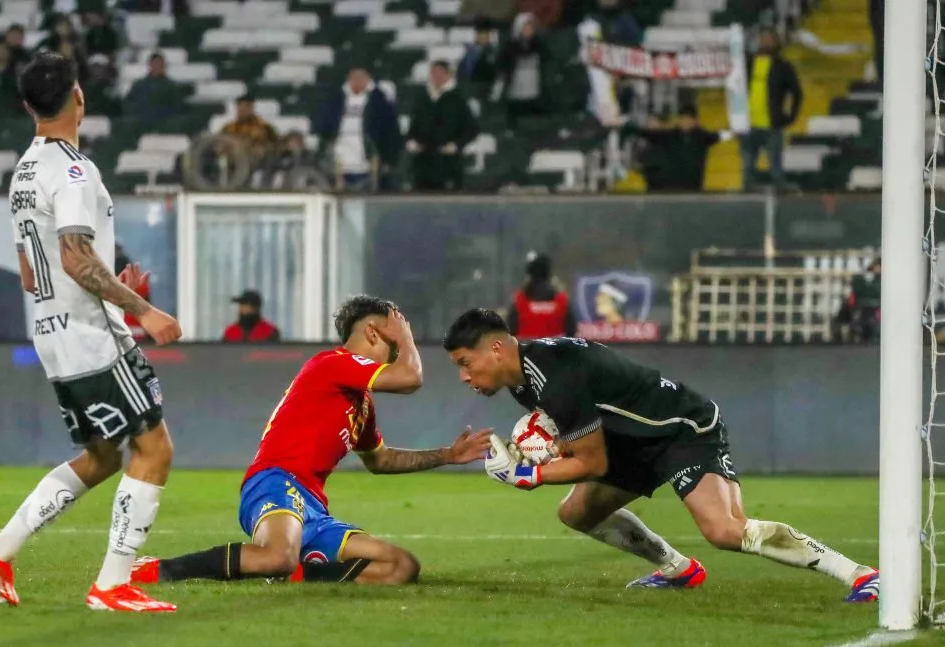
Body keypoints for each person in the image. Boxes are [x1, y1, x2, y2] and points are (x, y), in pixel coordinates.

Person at [442, 309, 880, 602]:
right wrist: (546, 449)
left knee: (725, 530)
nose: (463, 376)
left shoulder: (553, 376)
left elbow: (591, 462)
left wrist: (529, 475)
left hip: (682, 428)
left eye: (466, 362)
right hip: (630, 440)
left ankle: (859, 574)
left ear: (496, 349)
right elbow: (578, 438)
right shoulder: (525, 379)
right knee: (576, 511)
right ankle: (677, 569)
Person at [0, 51, 183, 613]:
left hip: (51, 332)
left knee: (103, 455)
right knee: (155, 448)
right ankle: (112, 585)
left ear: (26, 106)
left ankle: (1, 549)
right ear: (79, 97)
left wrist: (109, 280)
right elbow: (75, 260)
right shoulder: (72, 169)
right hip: (92, 331)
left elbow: (29, 268)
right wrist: (143, 309)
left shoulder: (24, 171)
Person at [130, 296, 492, 586]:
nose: (397, 346)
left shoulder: (360, 402)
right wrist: (407, 336)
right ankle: (157, 570)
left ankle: (296, 574)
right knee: (276, 555)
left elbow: (380, 461)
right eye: (392, 335)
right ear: (373, 332)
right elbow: (410, 377)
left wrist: (447, 454)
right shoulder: (332, 363)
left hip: (313, 507)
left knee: (399, 566)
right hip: (275, 481)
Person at [741, 28, 802, 191]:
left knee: (776, 170)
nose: (766, 42)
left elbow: (797, 92)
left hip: (772, 125)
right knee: (747, 171)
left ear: (776, 42)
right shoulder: (748, 63)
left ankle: (780, 204)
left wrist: (791, 116)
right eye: (763, 38)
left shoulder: (783, 66)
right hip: (748, 125)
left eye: (770, 39)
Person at [405, 61, 479, 191]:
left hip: (448, 163)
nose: (436, 77)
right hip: (423, 163)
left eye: (440, 73)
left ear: (448, 75)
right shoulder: (423, 99)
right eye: (433, 73)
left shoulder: (458, 99)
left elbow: (472, 129)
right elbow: (414, 126)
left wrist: (456, 145)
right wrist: (412, 141)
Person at [624, 105, 732, 191]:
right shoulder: (670, 135)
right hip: (672, 187)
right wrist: (629, 127)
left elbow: (720, 135)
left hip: (694, 186)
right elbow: (648, 133)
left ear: (695, 121)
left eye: (688, 119)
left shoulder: (702, 136)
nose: (685, 122)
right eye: (683, 119)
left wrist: (736, 131)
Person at [505, 254, 576, 339]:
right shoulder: (562, 301)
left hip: (526, 350)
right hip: (555, 350)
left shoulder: (519, 301)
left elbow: (510, 330)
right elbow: (571, 331)